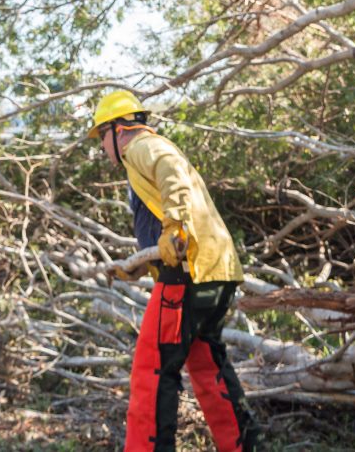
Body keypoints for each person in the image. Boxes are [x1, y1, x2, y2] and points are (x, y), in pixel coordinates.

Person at [88, 90, 259, 452]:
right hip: (217, 270)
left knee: (152, 369)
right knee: (208, 366)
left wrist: (175, 227)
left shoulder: (142, 147)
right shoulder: (143, 151)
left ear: (119, 130)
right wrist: (140, 267)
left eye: (101, 135)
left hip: (187, 277)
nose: (102, 147)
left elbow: (171, 173)